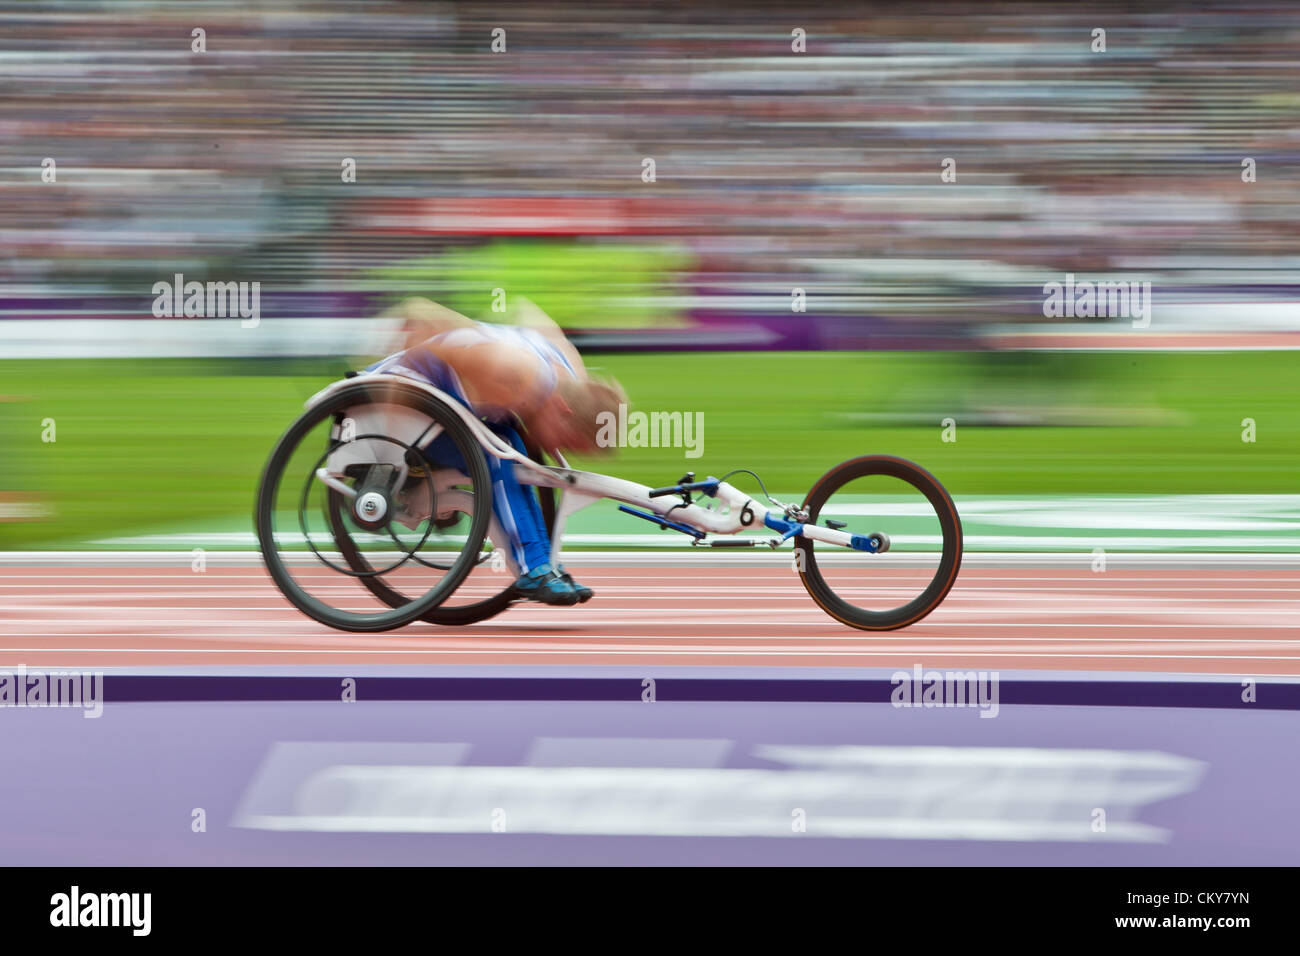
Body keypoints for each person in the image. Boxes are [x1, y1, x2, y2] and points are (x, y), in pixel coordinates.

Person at [360, 296, 624, 606]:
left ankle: (544, 562)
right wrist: (388, 458)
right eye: (564, 441)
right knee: (499, 453)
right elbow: (418, 315)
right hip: (401, 401)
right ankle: (534, 568)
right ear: (563, 410)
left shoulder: (568, 374)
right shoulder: (512, 371)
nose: (556, 449)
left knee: (513, 444)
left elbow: (527, 309)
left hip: (445, 407)